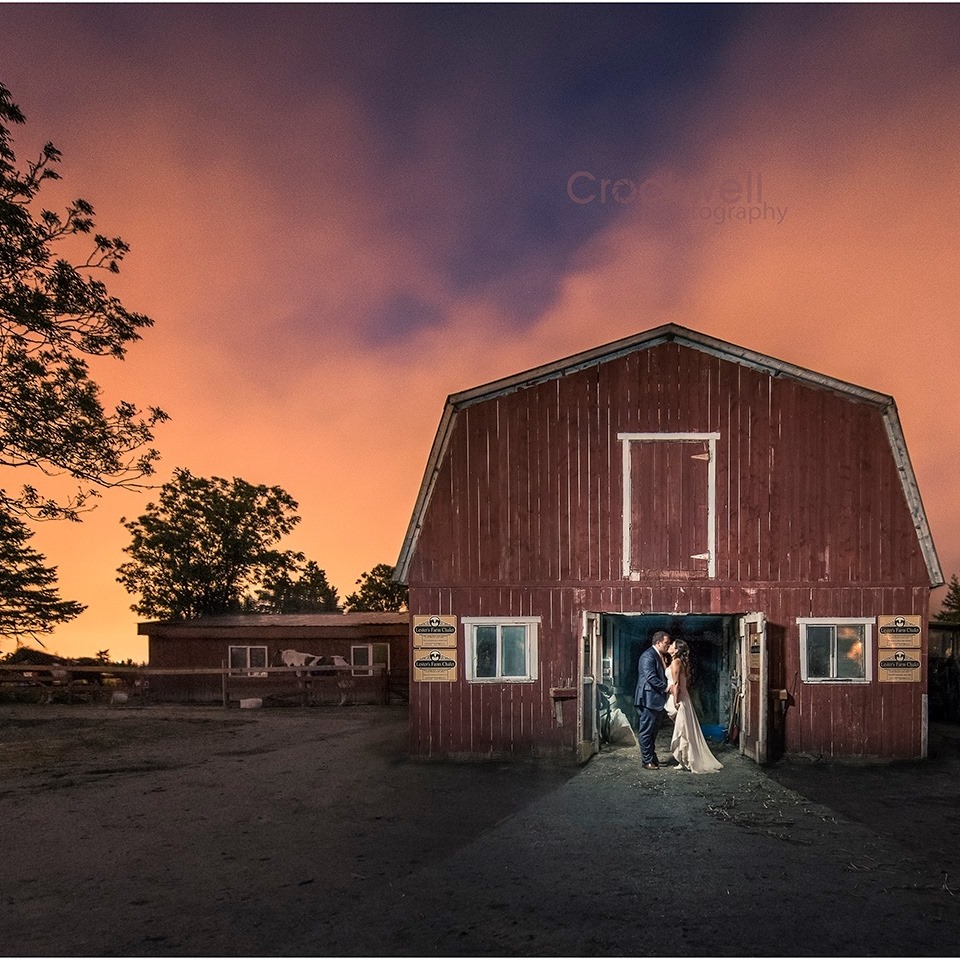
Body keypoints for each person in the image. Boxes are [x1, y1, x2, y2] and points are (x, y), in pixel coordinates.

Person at [665, 638, 723, 774]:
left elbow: (677, 684)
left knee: (683, 730)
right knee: (684, 729)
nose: (669, 646)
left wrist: (675, 701)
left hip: (679, 698)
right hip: (680, 696)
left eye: (672, 645)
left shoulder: (676, 662)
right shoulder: (677, 661)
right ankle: (684, 759)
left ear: (677, 650)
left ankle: (688, 760)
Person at [634, 630, 671, 770]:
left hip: (655, 699)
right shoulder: (648, 656)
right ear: (658, 642)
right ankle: (647, 761)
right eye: (666, 643)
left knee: (653, 731)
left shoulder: (658, 655)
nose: (668, 646)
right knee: (646, 731)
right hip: (647, 699)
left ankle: (651, 758)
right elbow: (651, 678)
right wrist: (667, 688)